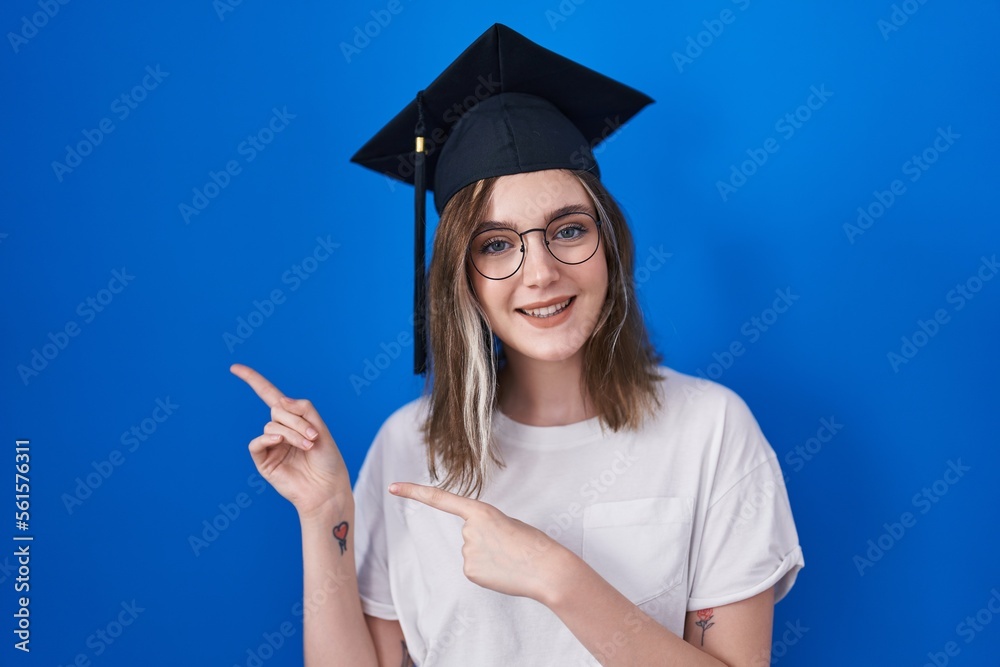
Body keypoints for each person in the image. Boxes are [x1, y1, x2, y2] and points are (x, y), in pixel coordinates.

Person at [231, 24, 803, 667]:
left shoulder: (711, 430)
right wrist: (326, 515)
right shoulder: (406, 446)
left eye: (568, 229)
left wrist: (559, 576)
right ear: (461, 277)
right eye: (496, 244)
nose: (540, 273)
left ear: (610, 247)